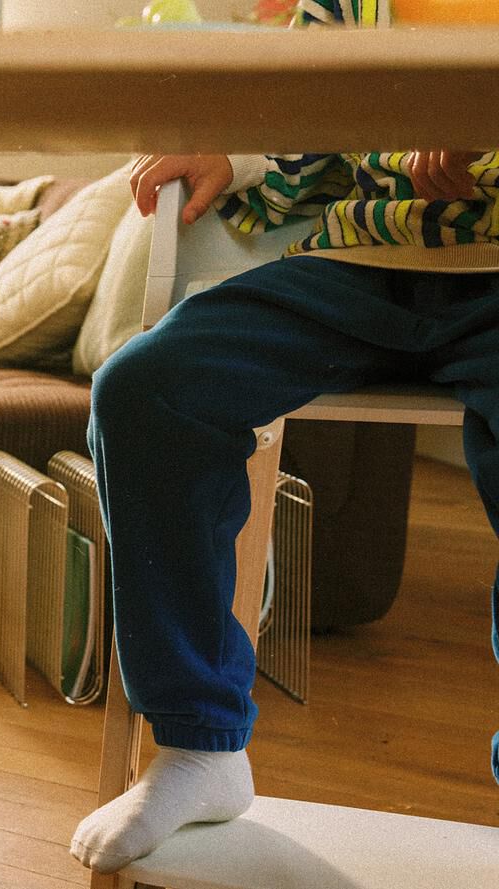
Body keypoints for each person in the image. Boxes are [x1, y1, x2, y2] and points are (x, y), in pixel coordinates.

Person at [69, 6, 499, 873]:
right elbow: (307, 119)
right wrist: (243, 154)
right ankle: (201, 745)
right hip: (366, 264)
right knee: (147, 390)